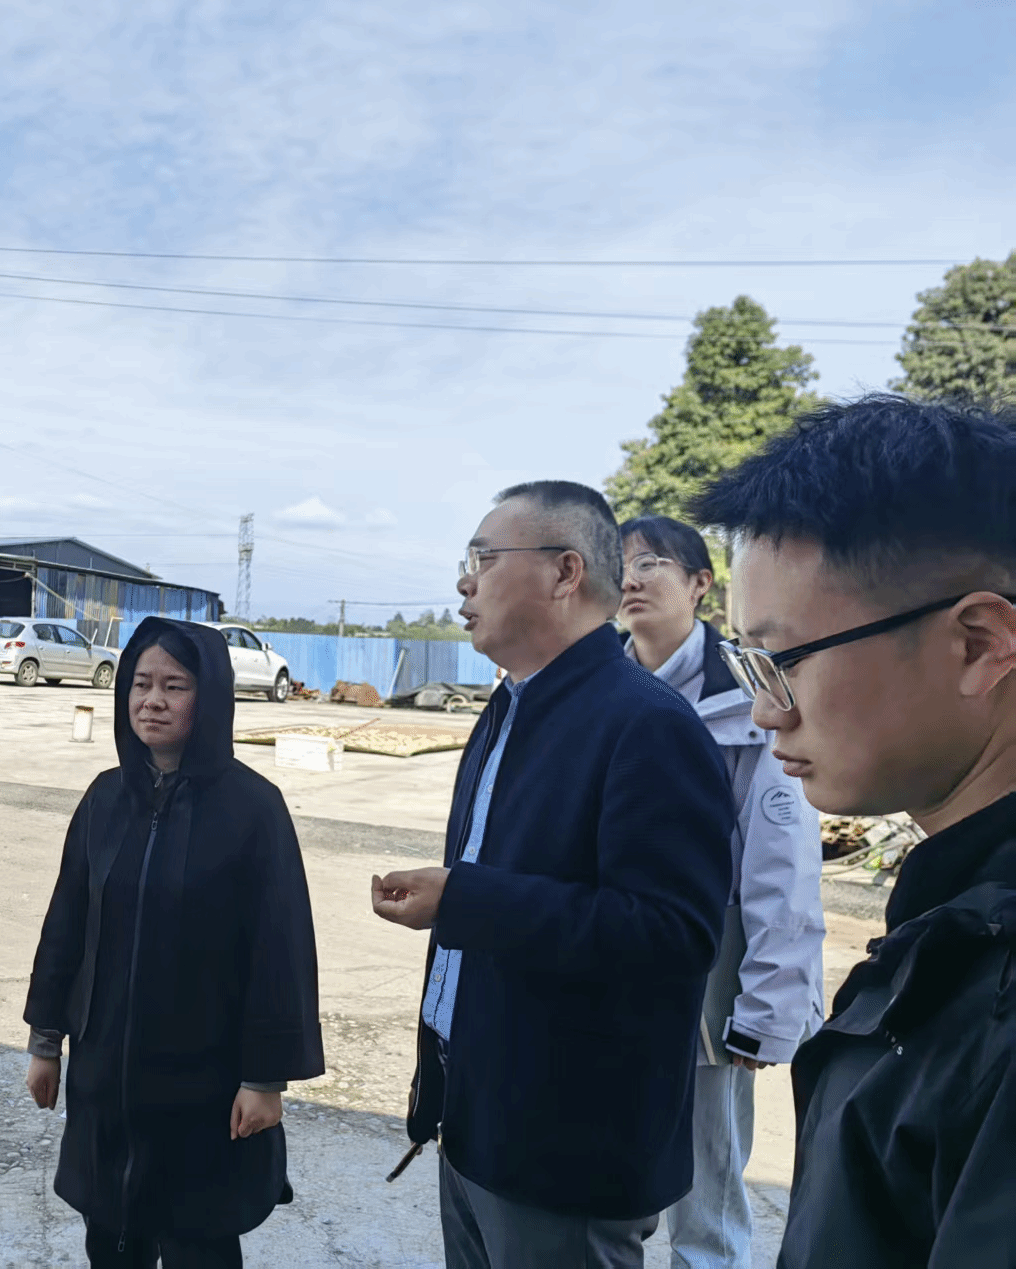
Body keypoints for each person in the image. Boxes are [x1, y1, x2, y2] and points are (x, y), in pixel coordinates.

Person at [371, 481, 735, 1269]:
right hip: (477, 1120)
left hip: (566, 1153)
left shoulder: (647, 725)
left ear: (566, 572)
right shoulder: (507, 709)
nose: (464, 582)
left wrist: (465, 899)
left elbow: (673, 934)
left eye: (483, 559)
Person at [694, 394, 1016, 1268]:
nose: (766, 711)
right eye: (748, 665)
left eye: (784, 661)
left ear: (979, 644)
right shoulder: (955, 917)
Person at [23, 616, 324, 1267]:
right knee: (111, 1231)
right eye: (141, 684)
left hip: (204, 1083)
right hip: (107, 1074)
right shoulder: (105, 799)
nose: (152, 701)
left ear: (208, 697)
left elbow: (280, 949)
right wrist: (46, 1042)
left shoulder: (253, 809)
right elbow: (66, 922)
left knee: (198, 1240)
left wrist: (264, 1078)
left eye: (174, 686)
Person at [618, 514, 825, 1269]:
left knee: (705, 1199)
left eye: (651, 564)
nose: (631, 579)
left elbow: (782, 862)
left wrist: (767, 1009)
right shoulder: (598, 686)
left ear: (700, 584)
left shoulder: (744, 695)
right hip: (609, 969)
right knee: (611, 1179)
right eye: (621, 565)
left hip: (708, 983)